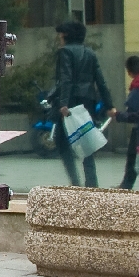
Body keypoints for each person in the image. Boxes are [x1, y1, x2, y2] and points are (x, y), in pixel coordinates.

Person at [47, 19, 113, 187]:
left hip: (70, 103)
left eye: (61, 35)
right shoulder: (90, 53)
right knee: (86, 140)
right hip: (88, 101)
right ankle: (91, 182)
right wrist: (109, 105)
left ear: (66, 35)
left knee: (62, 141)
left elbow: (66, 78)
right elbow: (101, 81)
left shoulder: (65, 52)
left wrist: (63, 103)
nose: (59, 38)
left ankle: (75, 181)